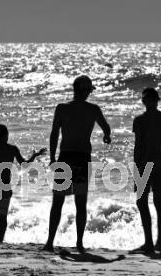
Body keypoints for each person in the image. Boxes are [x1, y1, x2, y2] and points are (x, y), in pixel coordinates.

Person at [43, 75, 111, 253]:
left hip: (65, 157)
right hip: (82, 158)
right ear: (83, 90)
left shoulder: (62, 108)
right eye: (88, 90)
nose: (89, 93)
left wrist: (52, 158)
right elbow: (106, 128)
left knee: (58, 201)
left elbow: (54, 135)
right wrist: (106, 136)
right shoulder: (93, 109)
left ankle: (50, 243)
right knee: (80, 203)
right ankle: (79, 244)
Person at [0, 124, 46, 243]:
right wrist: (34, 156)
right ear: (6, 135)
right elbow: (24, 165)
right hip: (5, 185)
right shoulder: (12, 149)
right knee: (2, 215)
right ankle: (0, 240)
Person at [130, 88, 161, 254]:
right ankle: (158, 243)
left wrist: (137, 168)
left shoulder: (140, 120)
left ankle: (150, 243)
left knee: (142, 202)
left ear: (145, 101)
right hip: (159, 164)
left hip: (145, 164)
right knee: (158, 202)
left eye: (148, 99)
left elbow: (138, 146)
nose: (148, 102)